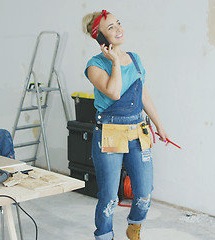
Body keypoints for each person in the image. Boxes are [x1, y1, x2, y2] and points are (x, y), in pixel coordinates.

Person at [82, 10, 169, 240]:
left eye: (118, 23)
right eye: (110, 27)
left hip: (137, 132)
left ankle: (134, 227)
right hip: (110, 133)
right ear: (100, 38)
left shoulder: (136, 58)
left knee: (143, 193)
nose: (119, 29)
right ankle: (104, 236)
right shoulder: (95, 66)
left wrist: (159, 125)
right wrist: (115, 62)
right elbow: (114, 91)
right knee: (110, 197)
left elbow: (143, 95)